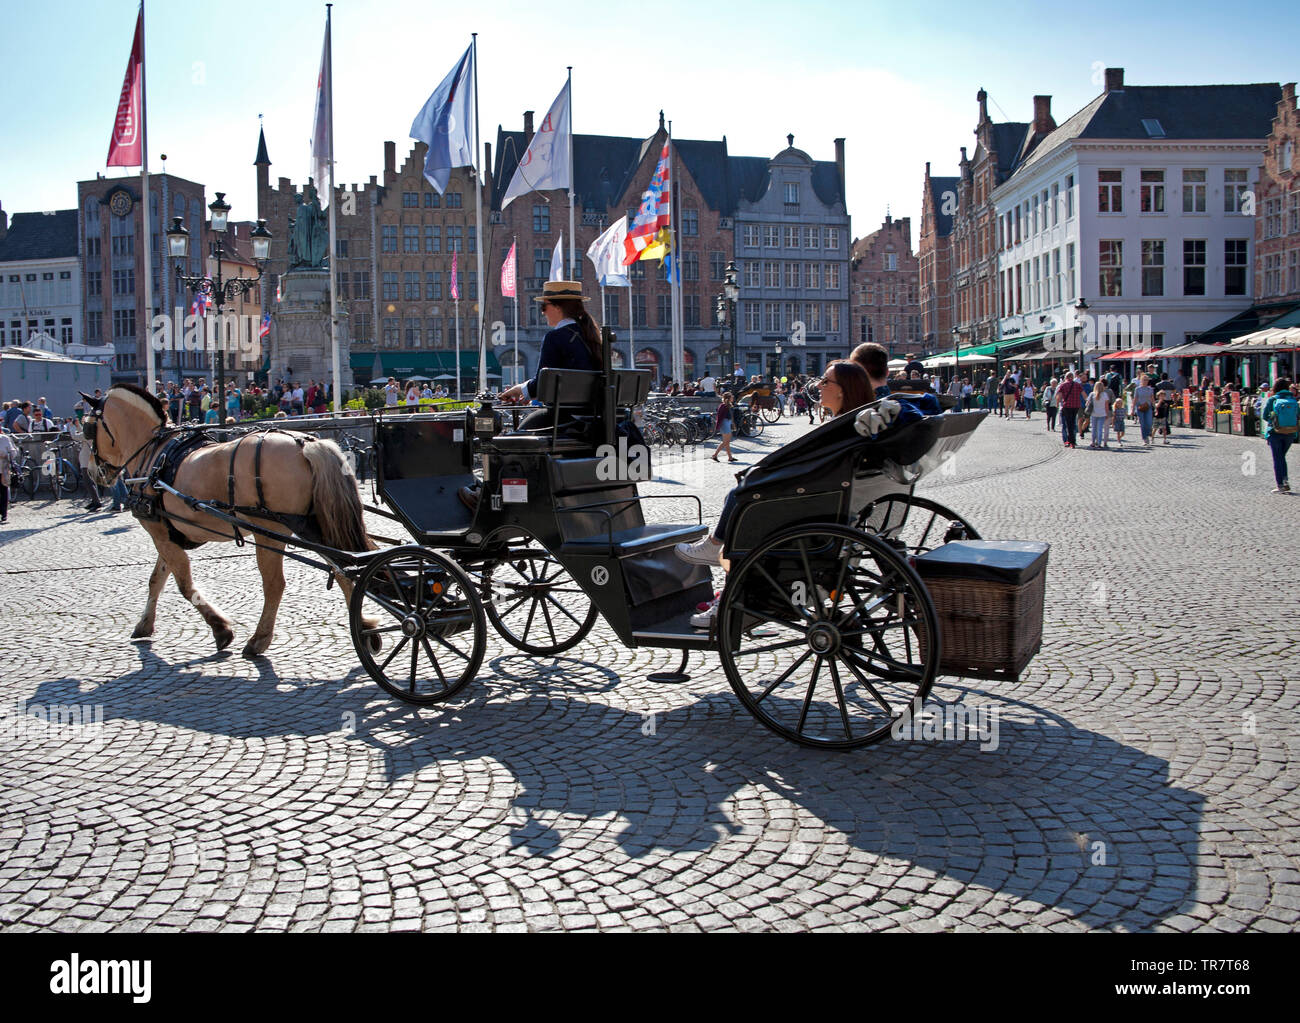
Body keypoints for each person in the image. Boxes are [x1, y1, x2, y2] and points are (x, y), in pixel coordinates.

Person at [678, 360, 874, 572]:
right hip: (823, 497)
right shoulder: (850, 424)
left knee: (743, 494)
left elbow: (817, 468)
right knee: (743, 491)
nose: (818, 386)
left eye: (826, 381)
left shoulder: (843, 427)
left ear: (842, 390)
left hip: (813, 502)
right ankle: (721, 556)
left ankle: (718, 549)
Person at [1261, 378, 1298, 493]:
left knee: (1278, 458)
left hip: (1275, 432)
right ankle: (1285, 480)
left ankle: (1281, 485)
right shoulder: (1292, 399)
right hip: (1290, 432)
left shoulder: (1273, 399)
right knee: (1282, 457)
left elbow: (1265, 415)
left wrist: (1274, 421)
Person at [1056, 371, 1085, 448]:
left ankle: (1071, 441)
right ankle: (1073, 441)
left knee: (1068, 424)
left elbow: (1059, 396)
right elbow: (1084, 394)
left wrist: (1057, 404)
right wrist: (1087, 402)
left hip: (1067, 406)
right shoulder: (1077, 385)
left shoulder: (1063, 385)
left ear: (1066, 377)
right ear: (1072, 377)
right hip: (1076, 406)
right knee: (1073, 423)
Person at [1084, 379, 1112, 449]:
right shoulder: (1105, 394)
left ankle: (1093, 442)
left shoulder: (1092, 394)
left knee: (1094, 429)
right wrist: (1107, 414)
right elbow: (1106, 406)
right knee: (1100, 429)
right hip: (1102, 414)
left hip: (1094, 413)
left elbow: (1086, 403)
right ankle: (1099, 443)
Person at [1132, 373, 1156, 447]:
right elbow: (1135, 399)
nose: (1145, 381)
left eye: (1147, 380)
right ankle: (1145, 438)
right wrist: (1132, 408)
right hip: (1140, 408)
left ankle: (1148, 433)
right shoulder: (1138, 389)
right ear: (1141, 380)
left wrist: (1155, 407)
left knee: (1149, 423)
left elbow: (1152, 399)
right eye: (1144, 380)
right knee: (1142, 423)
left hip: (1148, 407)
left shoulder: (1150, 389)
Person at [712, 393, 737, 463]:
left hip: (727, 423)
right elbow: (719, 417)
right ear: (729, 398)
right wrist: (717, 426)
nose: (733, 398)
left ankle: (730, 457)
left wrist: (732, 424)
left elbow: (730, 416)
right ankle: (714, 455)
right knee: (726, 441)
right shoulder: (723, 405)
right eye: (732, 397)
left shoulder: (728, 405)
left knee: (727, 442)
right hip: (724, 423)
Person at [0, 429, 17, 523]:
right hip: (3, 468)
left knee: (3, 491)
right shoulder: (5, 438)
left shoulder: (5, 439)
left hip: (3, 469)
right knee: (3, 491)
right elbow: (13, 453)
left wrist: (6, 455)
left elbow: (13, 453)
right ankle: (3, 513)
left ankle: (3, 514)